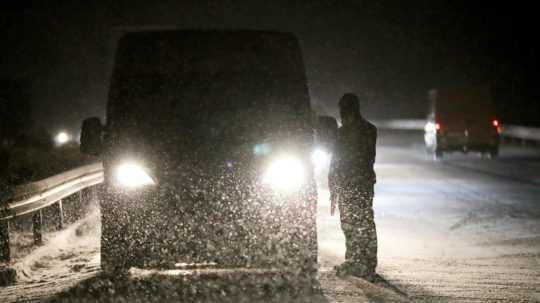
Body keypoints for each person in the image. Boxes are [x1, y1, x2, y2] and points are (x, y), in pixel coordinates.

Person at [329, 92, 378, 279]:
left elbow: (340, 161)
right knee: (355, 222)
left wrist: (335, 184)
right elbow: (337, 161)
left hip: (355, 183)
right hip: (358, 183)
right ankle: (359, 261)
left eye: (343, 109)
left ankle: (363, 263)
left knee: (359, 222)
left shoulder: (349, 133)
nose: (342, 113)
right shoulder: (367, 130)